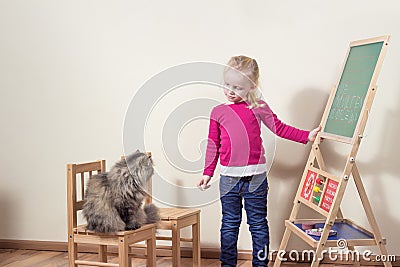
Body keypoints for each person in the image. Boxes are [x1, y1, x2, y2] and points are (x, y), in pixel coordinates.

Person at [197, 55, 321, 267]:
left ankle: (260, 264)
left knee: (257, 224)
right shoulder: (218, 112)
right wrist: (208, 172)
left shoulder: (259, 107)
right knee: (229, 224)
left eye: (238, 87)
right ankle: (228, 264)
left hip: (256, 179)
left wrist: (306, 136)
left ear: (251, 87)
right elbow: (213, 144)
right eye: (227, 85)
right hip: (228, 179)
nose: (230, 91)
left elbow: (279, 128)